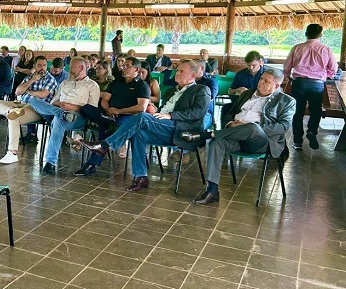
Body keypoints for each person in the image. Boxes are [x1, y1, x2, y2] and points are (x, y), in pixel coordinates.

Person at [78, 60, 210, 191]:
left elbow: (198, 112)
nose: (177, 73)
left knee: (141, 117)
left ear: (192, 76)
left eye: (181, 71)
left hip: (182, 130)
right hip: (164, 128)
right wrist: (156, 112)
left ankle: (105, 145)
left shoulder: (201, 90)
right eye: (177, 70)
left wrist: (171, 115)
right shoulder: (171, 91)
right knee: (138, 133)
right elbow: (161, 113)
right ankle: (141, 177)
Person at [183, 68, 295, 205]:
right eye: (261, 79)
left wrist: (252, 127)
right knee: (216, 143)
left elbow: (283, 126)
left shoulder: (286, 101)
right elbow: (229, 113)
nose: (261, 83)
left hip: (260, 141)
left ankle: (206, 134)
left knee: (253, 128)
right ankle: (212, 191)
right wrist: (230, 123)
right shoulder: (247, 93)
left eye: (266, 81)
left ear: (276, 86)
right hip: (236, 136)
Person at [78, 57, 150, 176]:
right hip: (109, 114)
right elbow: (105, 100)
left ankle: (91, 164)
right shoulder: (116, 82)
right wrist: (108, 109)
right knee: (85, 108)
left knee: (105, 127)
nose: (123, 68)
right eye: (123, 66)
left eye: (127, 66)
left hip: (128, 118)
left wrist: (119, 111)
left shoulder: (142, 86)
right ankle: (105, 122)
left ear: (136, 69)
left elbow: (141, 108)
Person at [28, 57, 100, 175]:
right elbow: (53, 102)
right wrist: (61, 106)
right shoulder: (65, 83)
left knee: (58, 120)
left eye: (72, 67)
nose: (69, 69)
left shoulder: (92, 85)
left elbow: (92, 110)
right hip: (57, 111)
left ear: (81, 68)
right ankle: (62, 114)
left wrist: (72, 107)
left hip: (77, 117)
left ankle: (50, 162)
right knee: (34, 100)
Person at [0, 56, 58, 164]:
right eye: (39, 65)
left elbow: (42, 95)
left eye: (44, 65)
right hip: (20, 104)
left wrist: (28, 91)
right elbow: (18, 92)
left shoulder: (50, 79)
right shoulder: (29, 77)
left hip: (37, 108)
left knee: (14, 117)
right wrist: (32, 80)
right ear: (34, 66)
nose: (42, 68)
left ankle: (12, 153)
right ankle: (9, 110)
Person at [283, 23, 337, 150]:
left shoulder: (296, 48)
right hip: (317, 84)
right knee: (316, 110)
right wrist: (325, 76)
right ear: (320, 35)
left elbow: (286, 67)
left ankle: (297, 142)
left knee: (298, 112)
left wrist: (289, 77)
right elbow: (333, 69)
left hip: (299, 82)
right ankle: (311, 131)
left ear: (306, 33)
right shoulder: (326, 49)